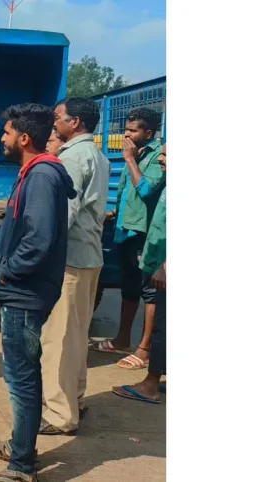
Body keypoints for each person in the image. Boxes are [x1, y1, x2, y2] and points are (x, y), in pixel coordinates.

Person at [0, 104, 76, 482]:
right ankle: (20, 447)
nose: (1, 139)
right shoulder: (35, 173)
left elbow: (38, 240)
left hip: (23, 294)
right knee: (24, 376)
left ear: (23, 138)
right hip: (23, 292)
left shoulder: (41, 177)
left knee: (22, 380)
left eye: (5, 133)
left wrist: (6, 273)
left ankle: (21, 466)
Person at [34, 98, 111, 436]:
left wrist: (40, 254)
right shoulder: (97, 154)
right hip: (89, 257)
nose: (54, 123)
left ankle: (58, 414)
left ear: (75, 122)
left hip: (70, 259)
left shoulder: (73, 157)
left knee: (59, 339)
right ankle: (75, 397)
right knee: (77, 335)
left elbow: (65, 211)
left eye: (58, 118)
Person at [93, 108, 166, 371]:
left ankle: (144, 349)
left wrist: (131, 160)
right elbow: (126, 192)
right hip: (125, 228)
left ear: (148, 133)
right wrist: (113, 212)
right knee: (129, 286)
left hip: (143, 233)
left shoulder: (158, 157)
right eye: (126, 129)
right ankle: (122, 339)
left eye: (133, 130)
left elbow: (146, 190)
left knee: (150, 291)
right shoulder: (135, 154)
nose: (126, 134)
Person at [113, 143, 167, 403]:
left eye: (167, 156)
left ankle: (151, 383)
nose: (163, 160)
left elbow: (144, 190)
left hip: (162, 263)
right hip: (153, 254)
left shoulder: (148, 164)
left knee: (161, 322)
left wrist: (165, 264)